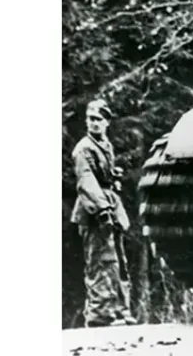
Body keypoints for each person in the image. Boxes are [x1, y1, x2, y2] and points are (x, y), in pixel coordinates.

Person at [70, 99, 136, 328]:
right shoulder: (83, 148)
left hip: (110, 204)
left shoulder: (104, 144)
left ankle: (119, 310)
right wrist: (102, 210)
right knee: (99, 261)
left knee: (117, 259)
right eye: (91, 119)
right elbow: (86, 180)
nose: (94, 123)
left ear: (107, 122)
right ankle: (100, 314)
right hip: (94, 208)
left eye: (99, 119)